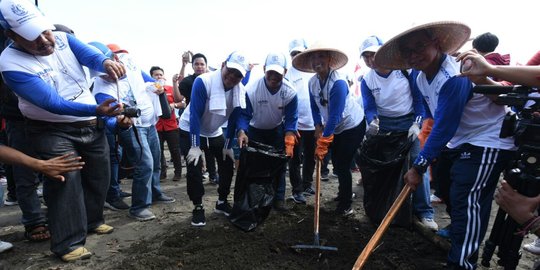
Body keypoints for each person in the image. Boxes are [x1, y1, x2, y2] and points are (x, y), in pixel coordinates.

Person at [375, 21, 516, 269]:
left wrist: (419, 165)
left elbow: (445, 126)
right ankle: (458, 235)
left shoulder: (454, 76)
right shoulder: (420, 77)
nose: (414, 54)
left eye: (420, 46)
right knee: (448, 188)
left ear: (437, 44)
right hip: (460, 139)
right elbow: (435, 117)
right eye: (408, 51)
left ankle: (462, 262)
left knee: (467, 199)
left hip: (486, 140)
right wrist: (431, 154)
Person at [0, 0, 127, 261]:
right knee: (65, 180)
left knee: (98, 176)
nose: (45, 41)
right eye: (33, 37)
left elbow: (89, 54)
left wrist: (104, 62)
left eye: (45, 31)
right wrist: (97, 110)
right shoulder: (10, 62)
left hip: (91, 123)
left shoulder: (62, 38)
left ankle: (93, 220)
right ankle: (67, 243)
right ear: (11, 35)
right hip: (51, 128)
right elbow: (51, 104)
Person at [359, 35, 437, 230]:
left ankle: (425, 212)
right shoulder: (367, 80)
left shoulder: (404, 72)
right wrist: (373, 121)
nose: (370, 59)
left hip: (407, 123)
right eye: (366, 56)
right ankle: (382, 207)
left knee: (418, 163)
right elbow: (369, 106)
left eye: (374, 54)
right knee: (384, 168)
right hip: (384, 127)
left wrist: (416, 123)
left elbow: (418, 100)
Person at [93, 43, 176, 222]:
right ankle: (139, 207)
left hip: (149, 122)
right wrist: (118, 123)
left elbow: (145, 76)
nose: (111, 74)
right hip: (132, 127)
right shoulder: (101, 88)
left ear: (114, 59)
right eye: (103, 71)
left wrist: (156, 85)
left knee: (155, 160)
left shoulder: (127, 61)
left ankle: (155, 192)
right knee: (144, 163)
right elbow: (107, 118)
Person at [292, 41, 366, 216]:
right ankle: (342, 194)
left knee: (342, 164)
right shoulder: (312, 83)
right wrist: (317, 127)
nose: (317, 61)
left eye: (321, 56)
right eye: (314, 58)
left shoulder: (338, 83)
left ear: (329, 59)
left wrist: (324, 141)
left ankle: (346, 204)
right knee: (339, 163)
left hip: (351, 126)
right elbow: (314, 107)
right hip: (334, 127)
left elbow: (335, 115)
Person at [178, 51, 248, 227]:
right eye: (230, 70)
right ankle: (198, 206)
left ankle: (222, 201)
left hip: (214, 130)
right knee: (194, 167)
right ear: (223, 64)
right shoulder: (204, 81)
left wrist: (227, 144)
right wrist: (195, 146)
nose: (232, 77)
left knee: (226, 163)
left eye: (238, 75)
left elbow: (234, 118)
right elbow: (195, 114)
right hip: (191, 128)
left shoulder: (240, 92)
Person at [236, 52, 299, 209]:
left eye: (278, 73)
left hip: (276, 130)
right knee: (255, 167)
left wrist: (290, 138)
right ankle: (255, 199)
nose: (273, 76)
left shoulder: (290, 92)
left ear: (285, 71)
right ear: (264, 69)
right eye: (270, 72)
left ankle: (278, 199)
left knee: (279, 166)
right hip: (254, 131)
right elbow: (244, 115)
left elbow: (291, 118)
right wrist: (242, 131)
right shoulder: (251, 89)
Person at [285, 38, 317, 197]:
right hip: (296, 124)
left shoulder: (313, 70)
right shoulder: (288, 74)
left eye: (299, 52)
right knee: (295, 159)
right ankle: (297, 190)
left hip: (313, 123)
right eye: (294, 53)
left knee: (311, 157)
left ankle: (307, 184)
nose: (297, 56)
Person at [150, 66, 183, 182]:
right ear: (151, 77)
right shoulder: (149, 90)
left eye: (160, 74)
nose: (159, 77)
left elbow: (182, 102)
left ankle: (178, 173)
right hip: (156, 126)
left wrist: (174, 105)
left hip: (171, 125)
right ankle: (162, 173)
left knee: (175, 150)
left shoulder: (170, 89)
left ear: (164, 76)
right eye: (156, 75)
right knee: (158, 151)